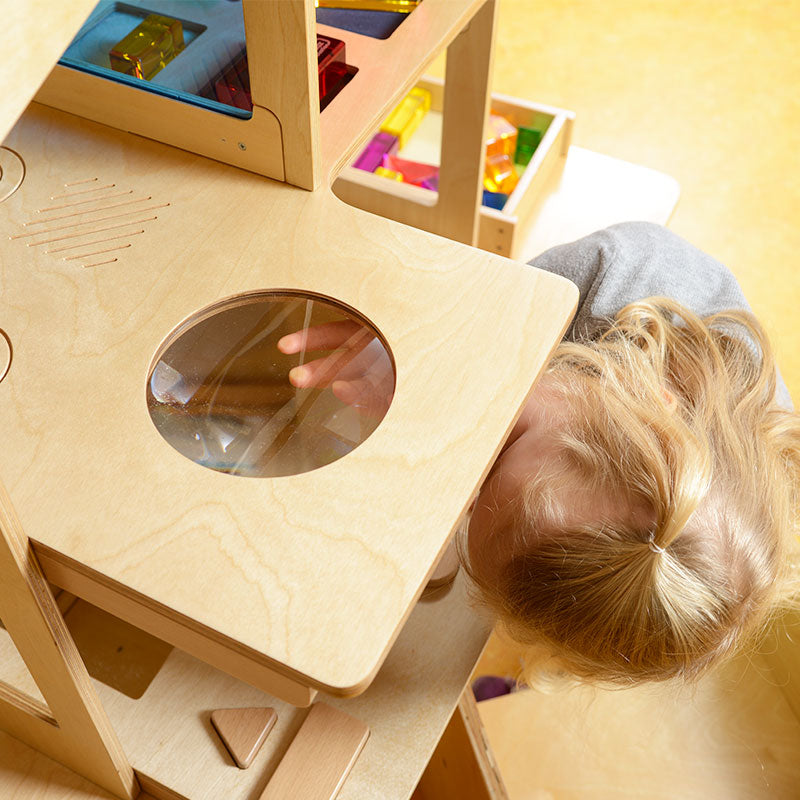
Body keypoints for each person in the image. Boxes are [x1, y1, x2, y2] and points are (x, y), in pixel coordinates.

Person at [279, 222, 800, 686]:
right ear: (634, 396)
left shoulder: (709, 548)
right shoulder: (607, 275)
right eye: (502, 452)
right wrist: (419, 343)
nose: (470, 480)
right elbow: (480, 322)